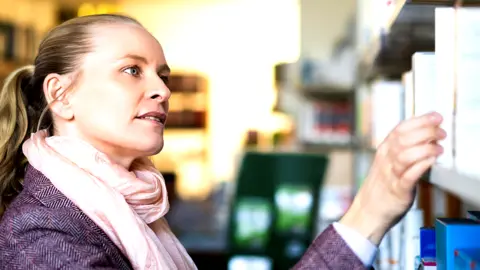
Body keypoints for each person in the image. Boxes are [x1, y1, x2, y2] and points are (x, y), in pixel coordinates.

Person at [0, 14, 445, 270]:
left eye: (163, 74)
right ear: (61, 95)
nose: (162, 90)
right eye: (132, 70)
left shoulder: (130, 206)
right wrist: (368, 213)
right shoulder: (44, 235)